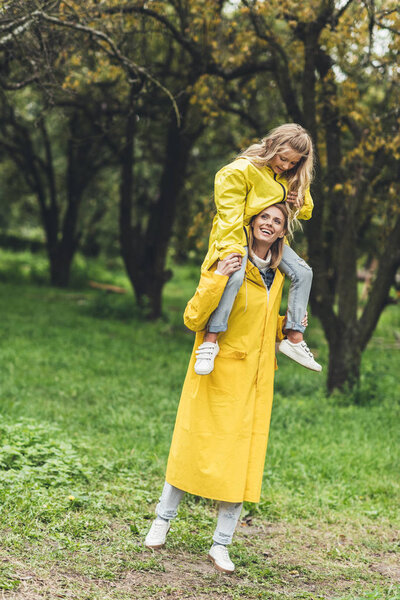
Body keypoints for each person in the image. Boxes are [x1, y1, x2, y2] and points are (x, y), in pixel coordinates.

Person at [145, 203, 307, 573]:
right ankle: (161, 522)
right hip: (215, 371)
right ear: (251, 223)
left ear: (282, 232)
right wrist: (218, 276)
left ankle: (221, 545)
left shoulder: (279, 275)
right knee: (192, 446)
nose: (269, 223)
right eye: (264, 217)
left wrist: (285, 325)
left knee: (241, 463)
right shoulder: (227, 260)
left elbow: (258, 324)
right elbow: (193, 317)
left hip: (253, 382)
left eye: (277, 221)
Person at [194, 123, 322, 377]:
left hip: (269, 239)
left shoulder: (289, 176)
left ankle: (294, 337)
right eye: (282, 158)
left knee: (303, 273)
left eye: (293, 163)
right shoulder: (240, 170)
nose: (286, 166)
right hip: (237, 233)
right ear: (271, 145)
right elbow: (229, 216)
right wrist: (233, 252)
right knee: (236, 274)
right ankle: (210, 340)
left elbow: (306, 211)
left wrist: (299, 201)